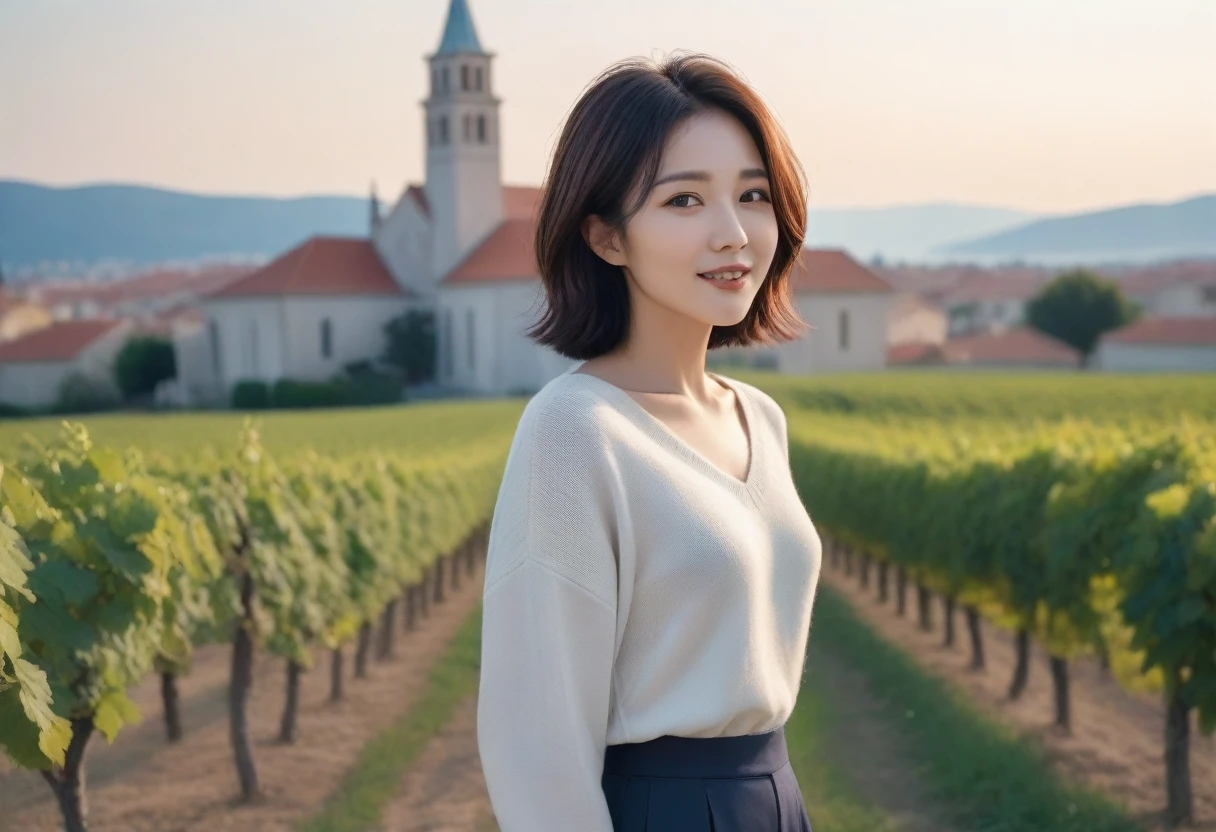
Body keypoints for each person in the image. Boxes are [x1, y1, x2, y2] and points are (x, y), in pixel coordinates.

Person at [477, 51, 823, 832]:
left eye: (753, 195)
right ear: (606, 238)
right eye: (684, 200)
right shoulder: (575, 431)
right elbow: (535, 750)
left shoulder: (758, 418)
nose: (732, 232)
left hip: (771, 798)